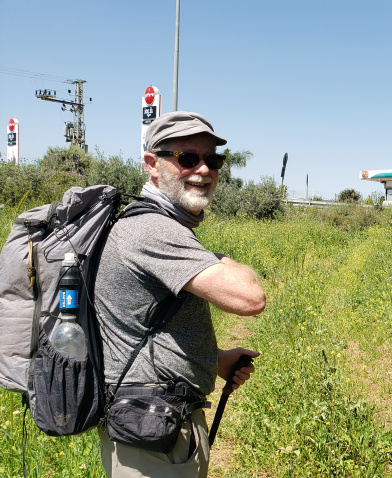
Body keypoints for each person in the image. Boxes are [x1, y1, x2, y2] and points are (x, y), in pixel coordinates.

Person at [94, 111, 266, 477]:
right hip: (150, 430)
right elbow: (250, 299)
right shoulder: (154, 230)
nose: (203, 170)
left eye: (213, 160)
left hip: (159, 423)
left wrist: (213, 359)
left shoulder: (158, 225)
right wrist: (220, 258)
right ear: (152, 164)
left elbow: (136, 325)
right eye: (188, 158)